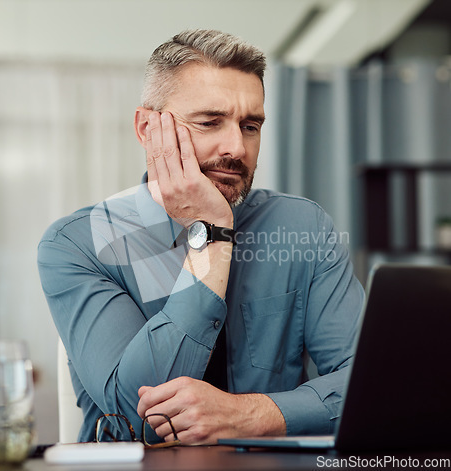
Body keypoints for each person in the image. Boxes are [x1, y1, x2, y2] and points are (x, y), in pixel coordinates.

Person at [37, 29, 364, 446]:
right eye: (210, 122)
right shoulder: (78, 243)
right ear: (145, 127)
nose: (237, 147)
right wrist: (210, 233)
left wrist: (250, 415)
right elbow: (142, 421)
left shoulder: (302, 227)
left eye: (250, 126)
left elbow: (369, 384)